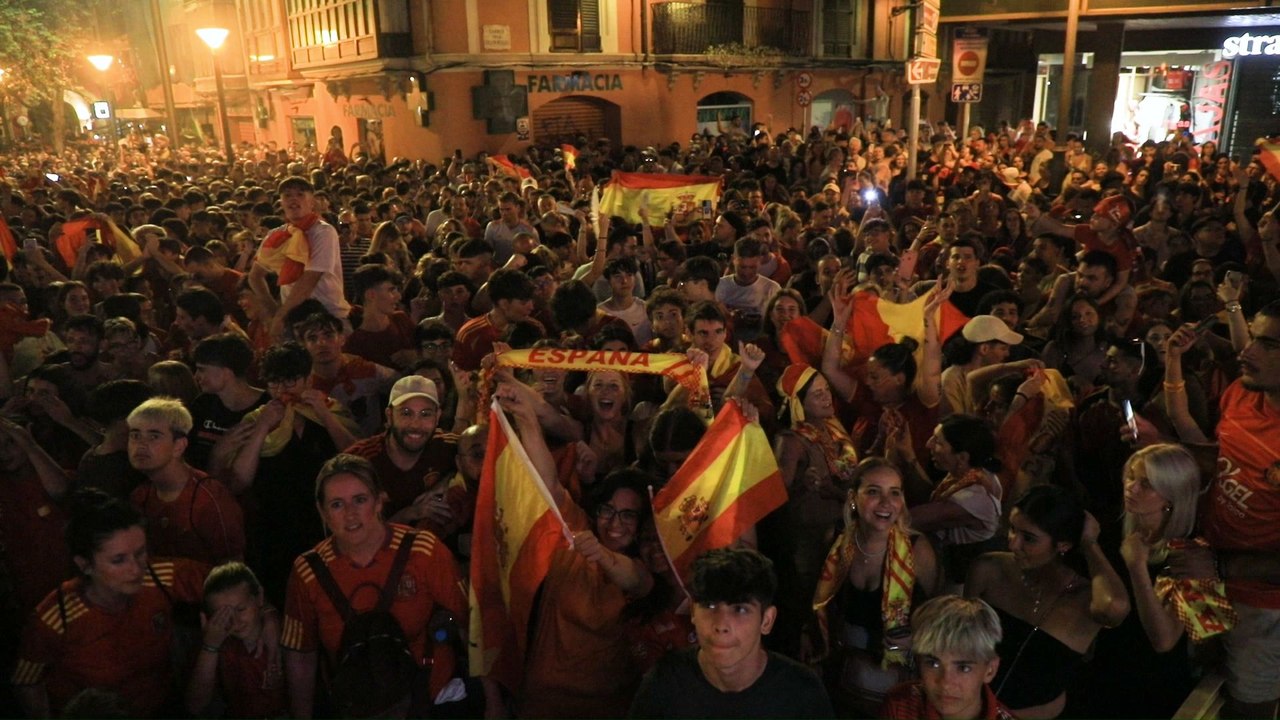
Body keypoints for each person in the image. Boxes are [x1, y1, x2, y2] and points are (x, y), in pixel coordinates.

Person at [493, 376, 654, 718]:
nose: (614, 523)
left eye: (627, 516)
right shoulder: (575, 529)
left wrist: (603, 556)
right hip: (543, 700)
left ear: (642, 524)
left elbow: (634, 580)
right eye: (608, 511)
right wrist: (526, 419)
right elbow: (547, 481)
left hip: (607, 706)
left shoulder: (646, 564)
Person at [281, 453, 468, 718]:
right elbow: (301, 653)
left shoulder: (424, 552)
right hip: (354, 705)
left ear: (380, 501)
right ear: (322, 512)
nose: (350, 514)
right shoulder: (308, 571)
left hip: (426, 700)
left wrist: (492, 703)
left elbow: (470, 626)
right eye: (336, 504)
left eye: (360, 500)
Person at [12, 489, 210, 717]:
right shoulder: (56, 617)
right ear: (85, 564)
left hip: (159, 706)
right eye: (119, 560)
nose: (136, 569)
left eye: (140, 553)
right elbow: (27, 682)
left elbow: (228, 582)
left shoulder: (159, 577)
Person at [965, 486, 1129, 718]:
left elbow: (1116, 607)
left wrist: (1090, 544)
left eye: (1028, 538)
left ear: (1063, 545)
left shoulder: (1084, 598)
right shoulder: (989, 569)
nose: (1013, 544)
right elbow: (959, 641)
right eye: (1013, 530)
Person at [629, 547, 834, 719]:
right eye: (709, 606)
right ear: (692, 612)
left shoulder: (801, 693)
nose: (721, 624)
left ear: (766, 620)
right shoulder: (664, 683)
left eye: (740, 609)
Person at [808, 458, 941, 715]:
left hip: (897, 687)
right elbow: (819, 603)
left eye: (895, 493)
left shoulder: (917, 550)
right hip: (842, 679)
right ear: (853, 498)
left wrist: (912, 638)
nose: (886, 503)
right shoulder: (836, 542)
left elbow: (935, 618)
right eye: (873, 492)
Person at [128, 397, 245, 565]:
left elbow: (233, 564)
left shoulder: (209, 498)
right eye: (135, 435)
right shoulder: (140, 496)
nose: (141, 445)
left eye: (154, 436)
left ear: (179, 446)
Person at [342, 375, 461, 538]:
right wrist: (410, 513)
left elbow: (487, 464)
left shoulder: (450, 447)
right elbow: (350, 533)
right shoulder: (359, 461)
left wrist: (448, 480)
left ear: (437, 417)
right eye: (406, 413)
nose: (415, 424)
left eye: (425, 414)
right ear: (389, 416)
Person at [880, 595, 1016, 720]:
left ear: (990, 670)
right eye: (933, 664)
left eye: (963, 668)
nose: (945, 683)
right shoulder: (900, 704)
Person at [249, 176, 350, 338]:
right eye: (287, 195)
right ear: (281, 202)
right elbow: (254, 276)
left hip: (328, 316)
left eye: (300, 194)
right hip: (292, 321)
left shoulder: (323, 232)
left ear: (312, 202)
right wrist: (273, 309)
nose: (293, 199)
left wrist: (280, 317)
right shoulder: (277, 235)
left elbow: (310, 279)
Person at [186, 562, 288, 718]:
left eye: (241, 609)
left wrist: (270, 615)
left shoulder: (282, 632)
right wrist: (210, 647)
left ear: (259, 597)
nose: (235, 621)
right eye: (223, 616)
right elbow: (195, 705)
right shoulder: (216, 644)